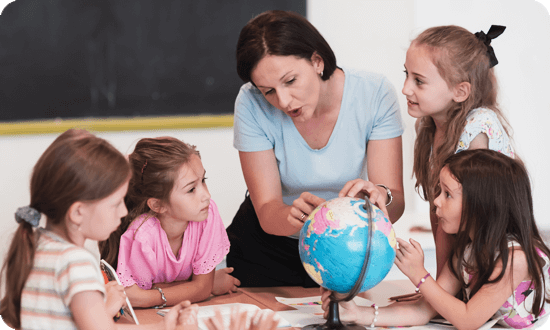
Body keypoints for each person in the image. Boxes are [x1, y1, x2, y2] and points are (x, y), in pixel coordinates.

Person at [227, 10, 405, 287]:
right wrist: (292, 216)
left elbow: (394, 200)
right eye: (268, 91)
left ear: (317, 61)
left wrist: (380, 198)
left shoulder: (374, 93)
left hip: (344, 249)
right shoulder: (250, 103)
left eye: (290, 81)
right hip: (267, 250)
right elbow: (266, 209)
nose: (284, 101)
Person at [322, 149, 550, 329]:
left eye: (447, 194)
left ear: (482, 205)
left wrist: (419, 275)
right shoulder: (466, 253)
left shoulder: (514, 259)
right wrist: (357, 314)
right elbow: (424, 310)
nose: (436, 202)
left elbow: (467, 320)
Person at [0, 129, 196, 330]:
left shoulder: (39, 244)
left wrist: (161, 327)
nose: (123, 211)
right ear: (78, 212)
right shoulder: (76, 262)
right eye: (116, 203)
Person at [403, 25, 515, 277]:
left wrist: (437, 292)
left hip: (496, 264)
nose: (405, 88)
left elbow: (473, 218)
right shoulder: (428, 126)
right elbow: (439, 214)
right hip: (464, 263)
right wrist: (437, 289)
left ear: (460, 91)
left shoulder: (478, 127)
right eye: (406, 75)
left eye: (418, 80)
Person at [99, 137, 237, 308]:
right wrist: (202, 286)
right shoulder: (142, 235)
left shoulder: (208, 214)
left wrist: (201, 287)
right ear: (158, 204)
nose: (206, 195)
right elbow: (135, 298)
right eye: (191, 189)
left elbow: (199, 289)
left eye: (203, 180)